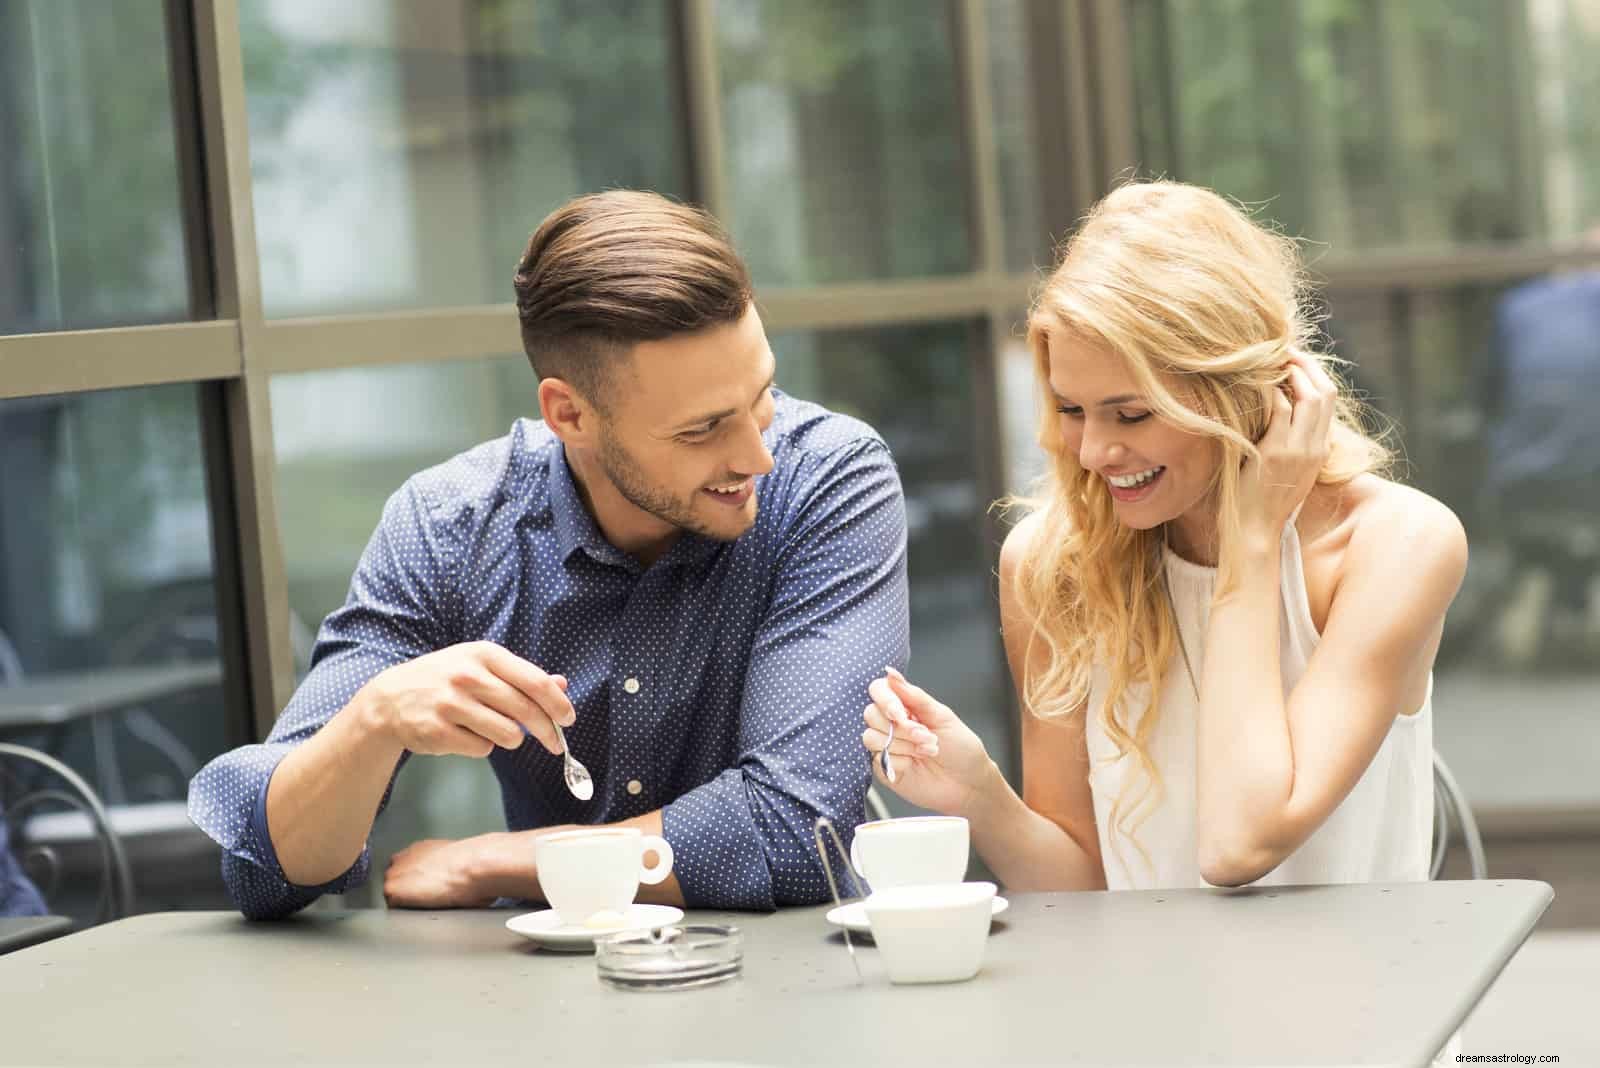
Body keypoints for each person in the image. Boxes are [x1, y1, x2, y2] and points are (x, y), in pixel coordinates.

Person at [188, 191, 909, 920]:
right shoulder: (449, 527)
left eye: (761, 397)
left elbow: (796, 833)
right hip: (540, 1006)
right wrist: (374, 719)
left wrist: (495, 861)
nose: (757, 455)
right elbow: (267, 872)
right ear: (569, 414)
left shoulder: (831, 480)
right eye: (702, 429)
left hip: (797, 996)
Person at [863, 180, 1467, 895]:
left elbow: (1240, 844)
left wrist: (1251, 541)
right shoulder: (1052, 565)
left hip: (1353, 1002)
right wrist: (982, 797)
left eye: (1131, 414)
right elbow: (1082, 890)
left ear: (1241, 390)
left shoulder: (1397, 544)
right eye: (1072, 410)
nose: (1091, 452)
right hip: (1143, 1002)